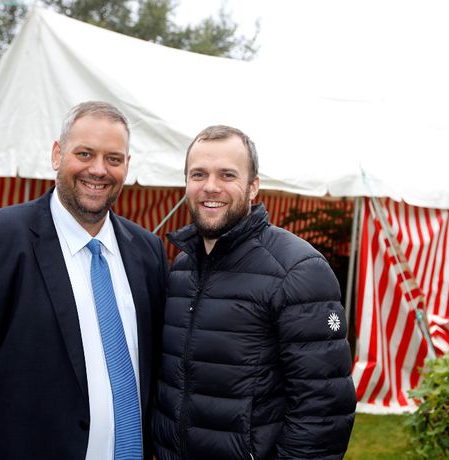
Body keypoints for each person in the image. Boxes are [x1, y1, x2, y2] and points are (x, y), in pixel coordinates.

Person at [0, 101, 168, 459]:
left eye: (113, 159)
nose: (98, 170)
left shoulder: (148, 251)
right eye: (84, 154)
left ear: (126, 165)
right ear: (57, 154)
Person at [152, 125, 356, 459]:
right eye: (199, 174)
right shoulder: (182, 267)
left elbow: (323, 408)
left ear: (253, 187)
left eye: (227, 175)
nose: (211, 186)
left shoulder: (298, 269)